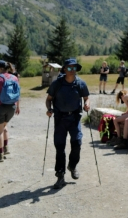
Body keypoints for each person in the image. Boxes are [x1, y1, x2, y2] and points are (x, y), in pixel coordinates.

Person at [45, 58, 90, 189]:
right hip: (60, 118)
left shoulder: (81, 83)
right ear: (64, 69)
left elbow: (87, 98)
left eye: (74, 68)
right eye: (69, 68)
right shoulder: (57, 84)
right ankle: (60, 176)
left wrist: (87, 104)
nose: (72, 70)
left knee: (77, 143)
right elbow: (49, 100)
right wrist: (49, 109)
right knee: (60, 147)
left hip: (75, 118)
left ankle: (72, 165)